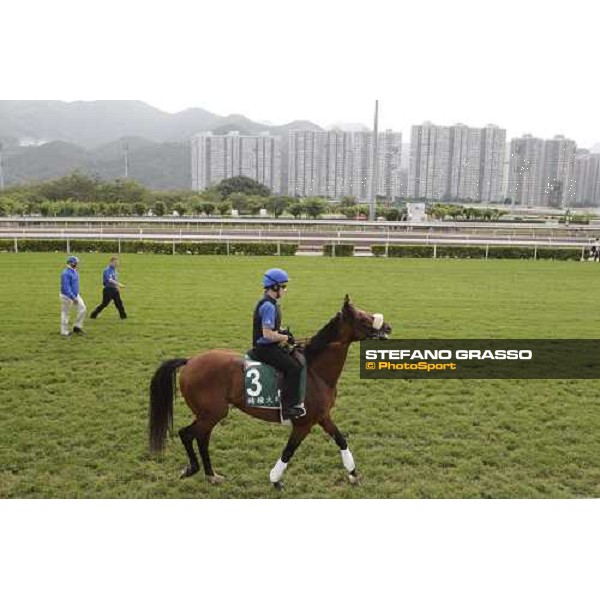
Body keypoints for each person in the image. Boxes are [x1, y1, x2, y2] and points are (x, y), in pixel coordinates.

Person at [251, 268, 305, 420]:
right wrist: (285, 338)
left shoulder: (271, 303)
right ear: (275, 287)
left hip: (269, 346)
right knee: (295, 367)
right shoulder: (268, 306)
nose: (285, 290)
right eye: (284, 286)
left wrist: (283, 332)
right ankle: (288, 408)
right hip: (265, 348)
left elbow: (272, 329)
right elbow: (267, 335)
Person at [60, 256, 86, 337]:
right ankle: (64, 331)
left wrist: (76, 295)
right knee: (66, 313)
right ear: (70, 263)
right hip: (67, 296)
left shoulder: (74, 271)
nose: (77, 264)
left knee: (83, 309)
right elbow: (66, 288)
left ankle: (77, 327)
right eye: (75, 263)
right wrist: (73, 297)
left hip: (75, 295)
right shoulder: (65, 273)